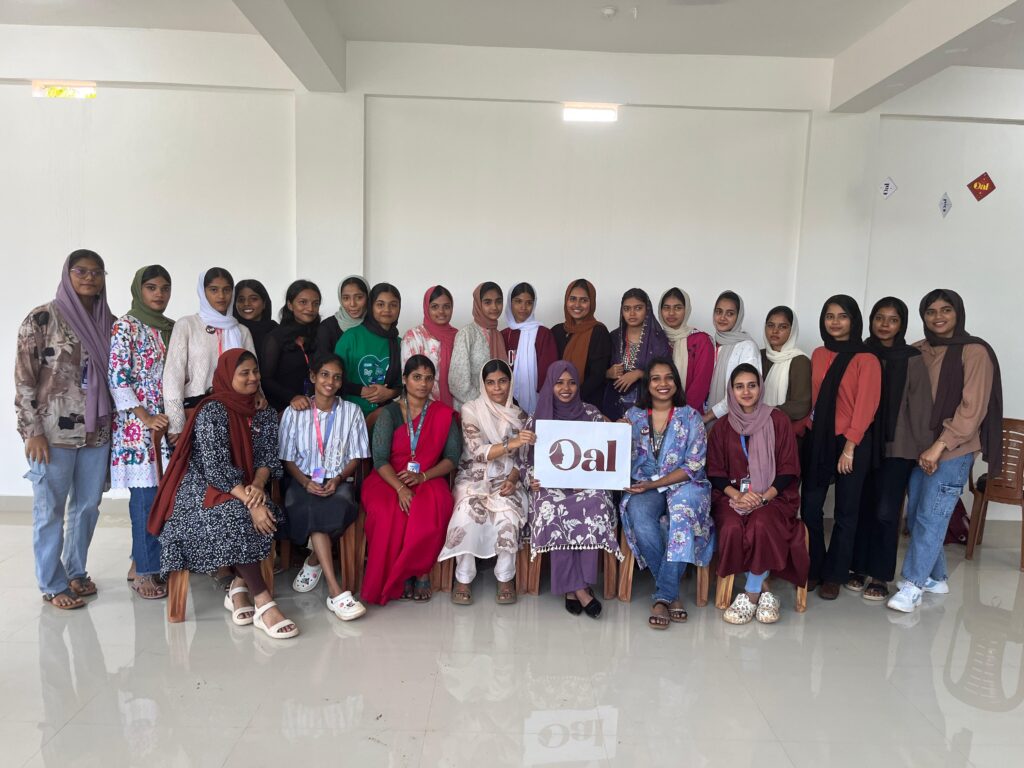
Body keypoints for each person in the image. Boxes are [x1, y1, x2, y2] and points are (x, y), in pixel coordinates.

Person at [148, 349, 298, 639]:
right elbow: (215, 468)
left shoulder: (264, 412)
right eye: (244, 373)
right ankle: (264, 602)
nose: (253, 378)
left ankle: (238, 589)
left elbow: (267, 458)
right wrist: (252, 503)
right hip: (199, 486)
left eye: (255, 371)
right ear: (228, 376)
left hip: (245, 484)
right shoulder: (212, 410)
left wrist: (258, 486)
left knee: (256, 512)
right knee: (236, 515)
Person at [888, 289, 1002, 613]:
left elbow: (972, 409)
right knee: (918, 514)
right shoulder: (919, 350)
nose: (938, 317)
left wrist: (939, 446)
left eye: (945, 310)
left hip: (953, 449)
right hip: (919, 446)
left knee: (931, 515)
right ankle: (936, 577)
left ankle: (912, 585)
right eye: (931, 311)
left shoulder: (975, 352)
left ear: (958, 313)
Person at [17, 250, 114, 610]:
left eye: (96, 272)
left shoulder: (110, 322)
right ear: (67, 274)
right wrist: (32, 432)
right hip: (52, 434)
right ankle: (52, 583)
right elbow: (24, 379)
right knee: (50, 510)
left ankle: (75, 572)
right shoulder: (42, 318)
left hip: (96, 432)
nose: (89, 278)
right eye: (81, 271)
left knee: (87, 506)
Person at [518, 361, 622, 618]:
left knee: (596, 504)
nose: (566, 388)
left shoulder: (592, 414)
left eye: (572, 382)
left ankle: (573, 586)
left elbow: (606, 454)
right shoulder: (538, 417)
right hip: (550, 487)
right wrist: (531, 479)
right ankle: (580, 589)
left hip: (586, 485)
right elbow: (524, 460)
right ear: (549, 385)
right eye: (559, 383)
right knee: (552, 509)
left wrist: (620, 429)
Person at [707, 364, 808, 624]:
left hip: (775, 497)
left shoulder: (778, 420)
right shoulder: (722, 426)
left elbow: (788, 469)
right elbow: (715, 472)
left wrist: (762, 498)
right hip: (732, 497)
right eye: (739, 386)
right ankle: (765, 590)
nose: (746, 392)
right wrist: (738, 496)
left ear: (760, 388)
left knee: (761, 522)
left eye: (752, 385)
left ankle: (751, 593)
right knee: (731, 526)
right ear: (731, 391)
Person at [848, 298, 933, 602]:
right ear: (871, 320)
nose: (884, 325)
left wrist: (925, 449)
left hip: (898, 446)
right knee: (861, 506)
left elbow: (921, 407)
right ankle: (858, 567)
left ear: (902, 324)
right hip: (862, 441)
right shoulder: (860, 352)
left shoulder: (912, 358)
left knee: (886, 511)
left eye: (892, 319)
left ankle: (880, 575)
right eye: (879, 318)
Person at [360, 355, 462, 605]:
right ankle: (400, 572)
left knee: (435, 505)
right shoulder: (390, 413)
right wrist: (400, 488)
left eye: (428, 378)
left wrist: (423, 475)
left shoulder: (442, 414)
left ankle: (420, 570)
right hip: (388, 477)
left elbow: (452, 458)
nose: (423, 384)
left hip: (428, 476)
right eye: (417, 377)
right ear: (405, 380)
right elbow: (380, 459)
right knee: (386, 512)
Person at [620, 358, 712, 630]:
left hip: (685, 484)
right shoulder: (633, 417)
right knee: (639, 516)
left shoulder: (691, 417)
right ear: (647, 384)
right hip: (644, 483)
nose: (663, 383)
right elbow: (615, 453)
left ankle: (663, 596)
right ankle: (672, 593)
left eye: (669, 377)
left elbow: (693, 465)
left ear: (676, 382)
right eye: (656, 378)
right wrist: (617, 432)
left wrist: (656, 484)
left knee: (681, 516)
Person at [800, 295, 881, 600]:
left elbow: (866, 405)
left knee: (846, 512)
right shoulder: (819, 353)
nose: (835, 322)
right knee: (810, 507)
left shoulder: (866, 358)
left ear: (853, 320)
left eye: (842, 316)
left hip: (851, 441)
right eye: (829, 316)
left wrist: (850, 446)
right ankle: (814, 567)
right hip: (819, 437)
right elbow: (815, 399)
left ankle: (835, 574)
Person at [279, 354, 369, 621]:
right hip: (303, 480)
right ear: (313, 377)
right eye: (325, 375)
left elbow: (356, 456)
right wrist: (305, 481)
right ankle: (336, 591)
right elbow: (287, 458)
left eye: (337, 377)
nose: (331, 381)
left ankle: (315, 560)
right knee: (308, 506)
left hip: (337, 480)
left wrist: (338, 479)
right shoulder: (295, 412)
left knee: (337, 505)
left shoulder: (352, 412)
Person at [439, 360, 535, 605]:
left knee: (508, 514)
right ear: (483, 385)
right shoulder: (471, 409)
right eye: (490, 383)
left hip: (507, 477)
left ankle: (505, 576)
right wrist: (511, 443)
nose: (497, 388)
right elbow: (476, 451)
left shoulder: (521, 416)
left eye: (502, 381)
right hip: (474, 475)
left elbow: (524, 459)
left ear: (510, 383)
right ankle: (463, 577)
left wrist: (513, 479)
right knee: (467, 512)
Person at [108, 265, 174, 600]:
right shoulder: (126, 326)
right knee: (147, 500)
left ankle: (141, 561)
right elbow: (118, 376)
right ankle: (147, 572)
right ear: (139, 290)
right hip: (139, 427)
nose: (159, 294)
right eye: (151, 287)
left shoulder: (170, 328)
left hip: (166, 423)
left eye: (164, 288)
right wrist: (145, 417)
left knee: (164, 497)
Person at [164, 268, 259, 440]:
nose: (221, 296)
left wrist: (259, 395)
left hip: (237, 411)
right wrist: (176, 424)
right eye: (214, 290)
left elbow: (253, 371)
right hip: (197, 410)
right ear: (203, 291)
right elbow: (173, 376)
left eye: (227, 290)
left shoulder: (241, 331)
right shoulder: (187, 325)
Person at [334, 282, 402, 427]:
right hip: (349, 415)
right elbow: (333, 377)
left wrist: (389, 394)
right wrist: (362, 390)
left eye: (393, 305)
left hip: (383, 417)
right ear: (371, 306)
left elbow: (401, 384)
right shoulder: (351, 337)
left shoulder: (399, 343)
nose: (387, 310)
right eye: (380, 304)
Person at [604, 288, 672, 420]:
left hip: (649, 404)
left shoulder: (658, 339)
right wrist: (608, 373)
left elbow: (669, 374)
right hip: (614, 404)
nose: (632, 313)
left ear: (647, 310)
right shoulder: (613, 337)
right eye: (627, 309)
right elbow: (597, 371)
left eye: (638, 308)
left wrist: (639, 374)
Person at [261, 280, 322, 413]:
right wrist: (292, 397)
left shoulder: (321, 334)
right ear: (290, 305)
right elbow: (265, 379)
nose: (310, 308)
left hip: (317, 409)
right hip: (285, 409)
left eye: (315, 303)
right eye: (303, 302)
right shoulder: (275, 337)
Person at [551, 279, 612, 411]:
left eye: (584, 300)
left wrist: (572, 396)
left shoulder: (599, 332)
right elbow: (550, 371)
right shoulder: (556, 331)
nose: (577, 305)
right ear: (566, 300)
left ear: (592, 303)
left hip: (588, 405)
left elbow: (597, 375)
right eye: (572, 299)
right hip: (557, 403)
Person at [500, 282, 558, 416]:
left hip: (538, 401)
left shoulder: (543, 334)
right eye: (518, 301)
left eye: (529, 303)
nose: (523, 307)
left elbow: (548, 372)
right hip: (507, 401)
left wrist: (543, 400)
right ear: (510, 303)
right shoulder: (503, 335)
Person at [704, 290, 760, 426]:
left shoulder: (747, 346)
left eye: (730, 313)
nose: (722, 317)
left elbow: (746, 391)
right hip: (704, 413)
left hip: (734, 421)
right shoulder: (710, 343)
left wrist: (708, 416)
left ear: (738, 316)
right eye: (718, 312)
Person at [450, 282, 506, 410]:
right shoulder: (466, 334)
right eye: (487, 302)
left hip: (497, 408)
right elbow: (458, 383)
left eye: (498, 301)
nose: (494, 307)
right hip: (472, 409)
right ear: (478, 304)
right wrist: (486, 404)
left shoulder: (498, 335)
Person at [659, 287, 714, 412]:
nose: (671, 313)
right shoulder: (655, 339)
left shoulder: (701, 340)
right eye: (666, 308)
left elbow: (701, 383)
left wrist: (681, 414)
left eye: (678, 308)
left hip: (690, 414)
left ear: (686, 310)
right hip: (657, 413)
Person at [401, 285, 458, 407]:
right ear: (426, 308)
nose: (441, 311)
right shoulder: (413, 337)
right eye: (435, 307)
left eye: (446, 306)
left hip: (456, 406)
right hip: (423, 407)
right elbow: (410, 379)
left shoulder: (459, 337)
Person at [761, 306, 812, 432]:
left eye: (783, 327)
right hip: (756, 426)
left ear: (792, 330)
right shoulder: (758, 355)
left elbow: (801, 406)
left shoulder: (800, 361)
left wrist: (763, 413)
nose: (775, 331)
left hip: (787, 430)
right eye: (770, 325)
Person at [317, 275, 368, 355]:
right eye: (346, 298)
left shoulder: (376, 324)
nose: (352, 304)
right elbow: (321, 358)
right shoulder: (327, 327)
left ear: (368, 297)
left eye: (359, 297)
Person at [232, 279, 277, 360]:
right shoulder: (230, 332)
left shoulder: (277, 331)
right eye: (241, 300)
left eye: (253, 299)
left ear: (264, 303)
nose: (246, 303)